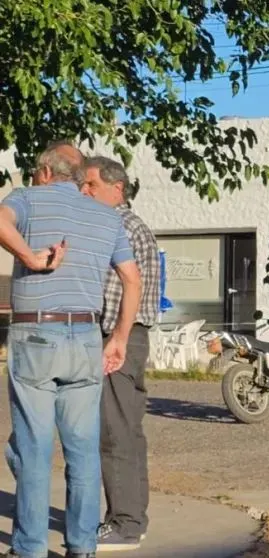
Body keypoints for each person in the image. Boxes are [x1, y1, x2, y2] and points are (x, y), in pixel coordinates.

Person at [1, 142, 140, 558]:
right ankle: (82, 546)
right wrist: (119, 338)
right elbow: (132, 280)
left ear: (45, 171)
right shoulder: (106, 216)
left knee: (34, 448)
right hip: (85, 337)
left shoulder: (25, 198)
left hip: (36, 336)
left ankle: (29, 548)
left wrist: (31, 257)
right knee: (82, 450)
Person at [79, 157, 160, 551]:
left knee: (116, 433)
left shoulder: (120, 226)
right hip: (123, 337)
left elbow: (126, 289)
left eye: (91, 184)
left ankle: (125, 524)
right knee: (125, 431)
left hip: (119, 338)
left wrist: (117, 339)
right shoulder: (120, 224)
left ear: (117, 188)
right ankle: (131, 518)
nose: (85, 191)